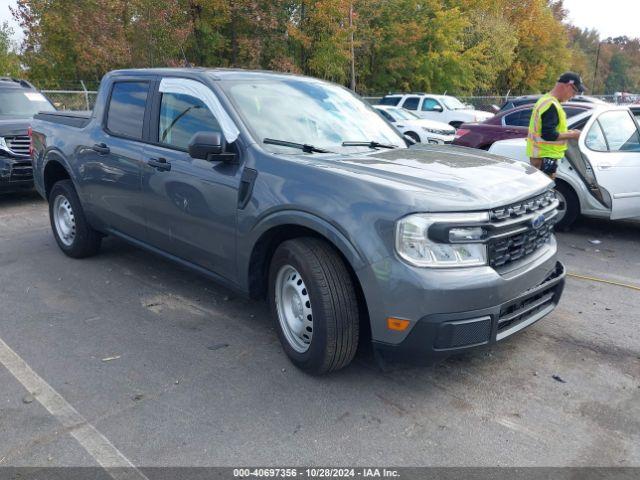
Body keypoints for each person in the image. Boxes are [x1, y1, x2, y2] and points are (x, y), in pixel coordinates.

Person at [526, 72, 585, 178]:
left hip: (541, 157)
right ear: (568, 86)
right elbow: (548, 134)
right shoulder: (551, 105)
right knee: (544, 192)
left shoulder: (546, 100)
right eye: (575, 91)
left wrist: (568, 133)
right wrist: (573, 135)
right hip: (544, 158)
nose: (574, 96)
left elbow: (547, 131)